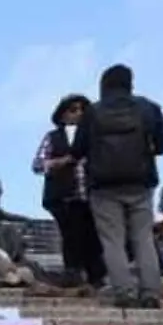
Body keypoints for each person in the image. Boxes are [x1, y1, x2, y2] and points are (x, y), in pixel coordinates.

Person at [68, 63, 163, 308]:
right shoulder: (148, 108)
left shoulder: (93, 113)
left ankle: (124, 293)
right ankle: (150, 293)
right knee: (143, 238)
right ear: (130, 83)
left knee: (112, 240)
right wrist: (148, 150)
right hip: (140, 182)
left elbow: (77, 150)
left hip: (103, 186)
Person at [31, 93, 104, 288]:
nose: (79, 113)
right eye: (73, 110)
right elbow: (38, 164)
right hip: (63, 196)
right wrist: (62, 161)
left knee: (92, 236)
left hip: (90, 195)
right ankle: (74, 274)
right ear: (63, 115)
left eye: (82, 110)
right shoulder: (53, 137)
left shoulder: (94, 136)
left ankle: (95, 277)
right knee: (71, 235)